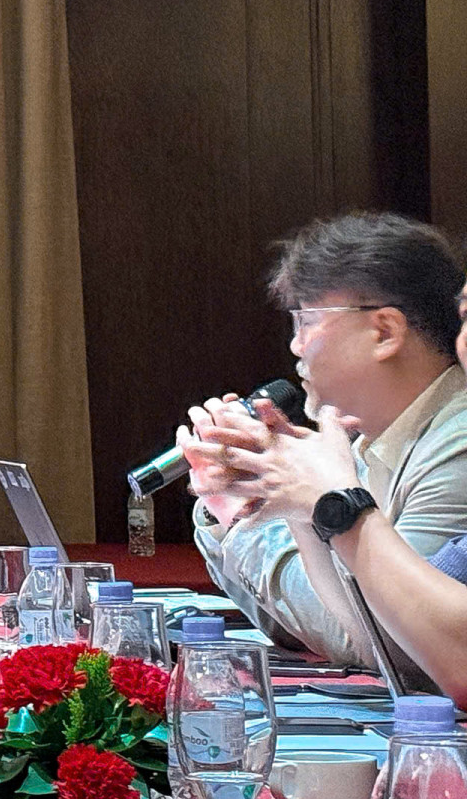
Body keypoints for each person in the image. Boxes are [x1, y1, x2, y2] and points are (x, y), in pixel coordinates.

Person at [177, 212, 467, 682]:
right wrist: (258, 498)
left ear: (385, 332)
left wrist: (242, 520)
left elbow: (392, 646)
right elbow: (308, 629)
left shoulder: (458, 443)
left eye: (307, 321)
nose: (295, 347)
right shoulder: (358, 437)